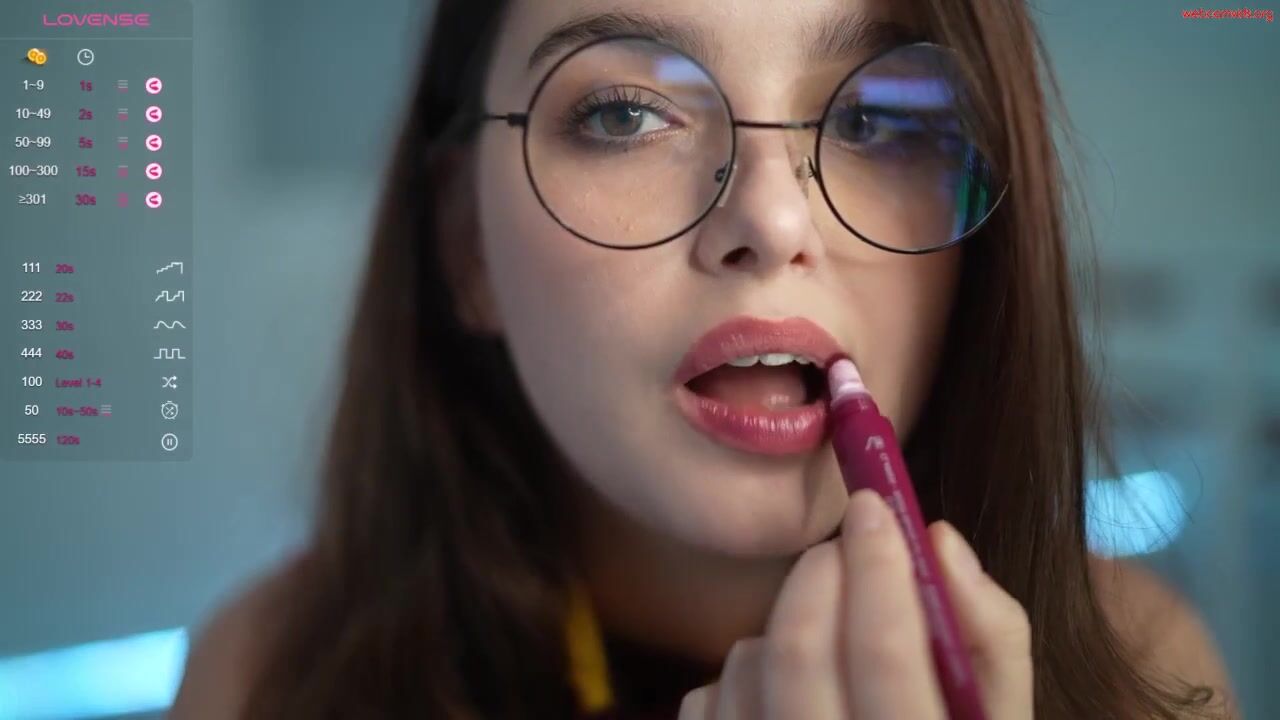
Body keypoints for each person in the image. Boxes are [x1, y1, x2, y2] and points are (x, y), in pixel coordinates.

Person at [171, 0, 1237, 717]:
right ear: (466, 248)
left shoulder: (1141, 668)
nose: (771, 219)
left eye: (875, 119)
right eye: (624, 114)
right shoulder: (266, 676)